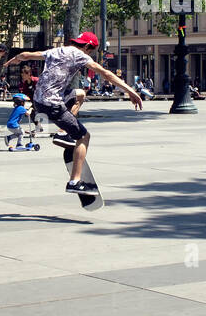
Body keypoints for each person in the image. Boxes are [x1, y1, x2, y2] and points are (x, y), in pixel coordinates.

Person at [7, 31, 142, 199]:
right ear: (86, 46)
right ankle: (74, 182)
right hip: (53, 104)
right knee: (84, 137)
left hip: (38, 101)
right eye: (90, 51)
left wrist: (15, 59)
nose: (89, 54)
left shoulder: (56, 50)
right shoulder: (80, 55)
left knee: (80, 94)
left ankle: (63, 134)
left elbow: (27, 55)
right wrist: (131, 91)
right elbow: (105, 73)